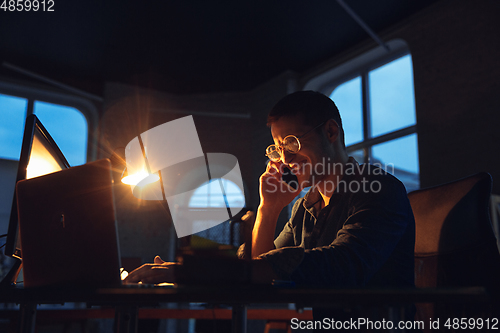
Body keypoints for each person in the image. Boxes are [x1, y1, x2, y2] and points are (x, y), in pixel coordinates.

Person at [125, 91, 415, 324]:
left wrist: (204, 272)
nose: (285, 159)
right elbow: (257, 272)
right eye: (277, 148)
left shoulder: (379, 188)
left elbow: (342, 265)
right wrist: (269, 208)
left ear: (330, 132)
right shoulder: (305, 206)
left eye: (291, 142)